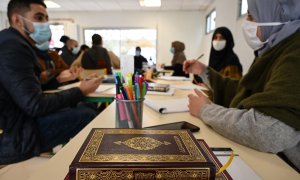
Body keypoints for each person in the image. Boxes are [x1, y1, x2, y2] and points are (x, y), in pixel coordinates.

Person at [183, 0, 300, 171]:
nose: (247, 22)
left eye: (252, 16)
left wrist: (205, 110)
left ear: (273, 16)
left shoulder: (295, 53)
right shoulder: (273, 49)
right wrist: (203, 71)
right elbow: (244, 92)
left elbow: (270, 131)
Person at [0, 0, 102, 164]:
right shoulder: (13, 47)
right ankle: (76, 168)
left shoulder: (12, 42)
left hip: (17, 119)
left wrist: (58, 80)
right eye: (39, 18)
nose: (44, 24)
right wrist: (80, 91)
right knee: (87, 114)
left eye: (46, 18)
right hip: (14, 134)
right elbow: (35, 105)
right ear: (17, 20)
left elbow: (23, 90)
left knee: (86, 105)